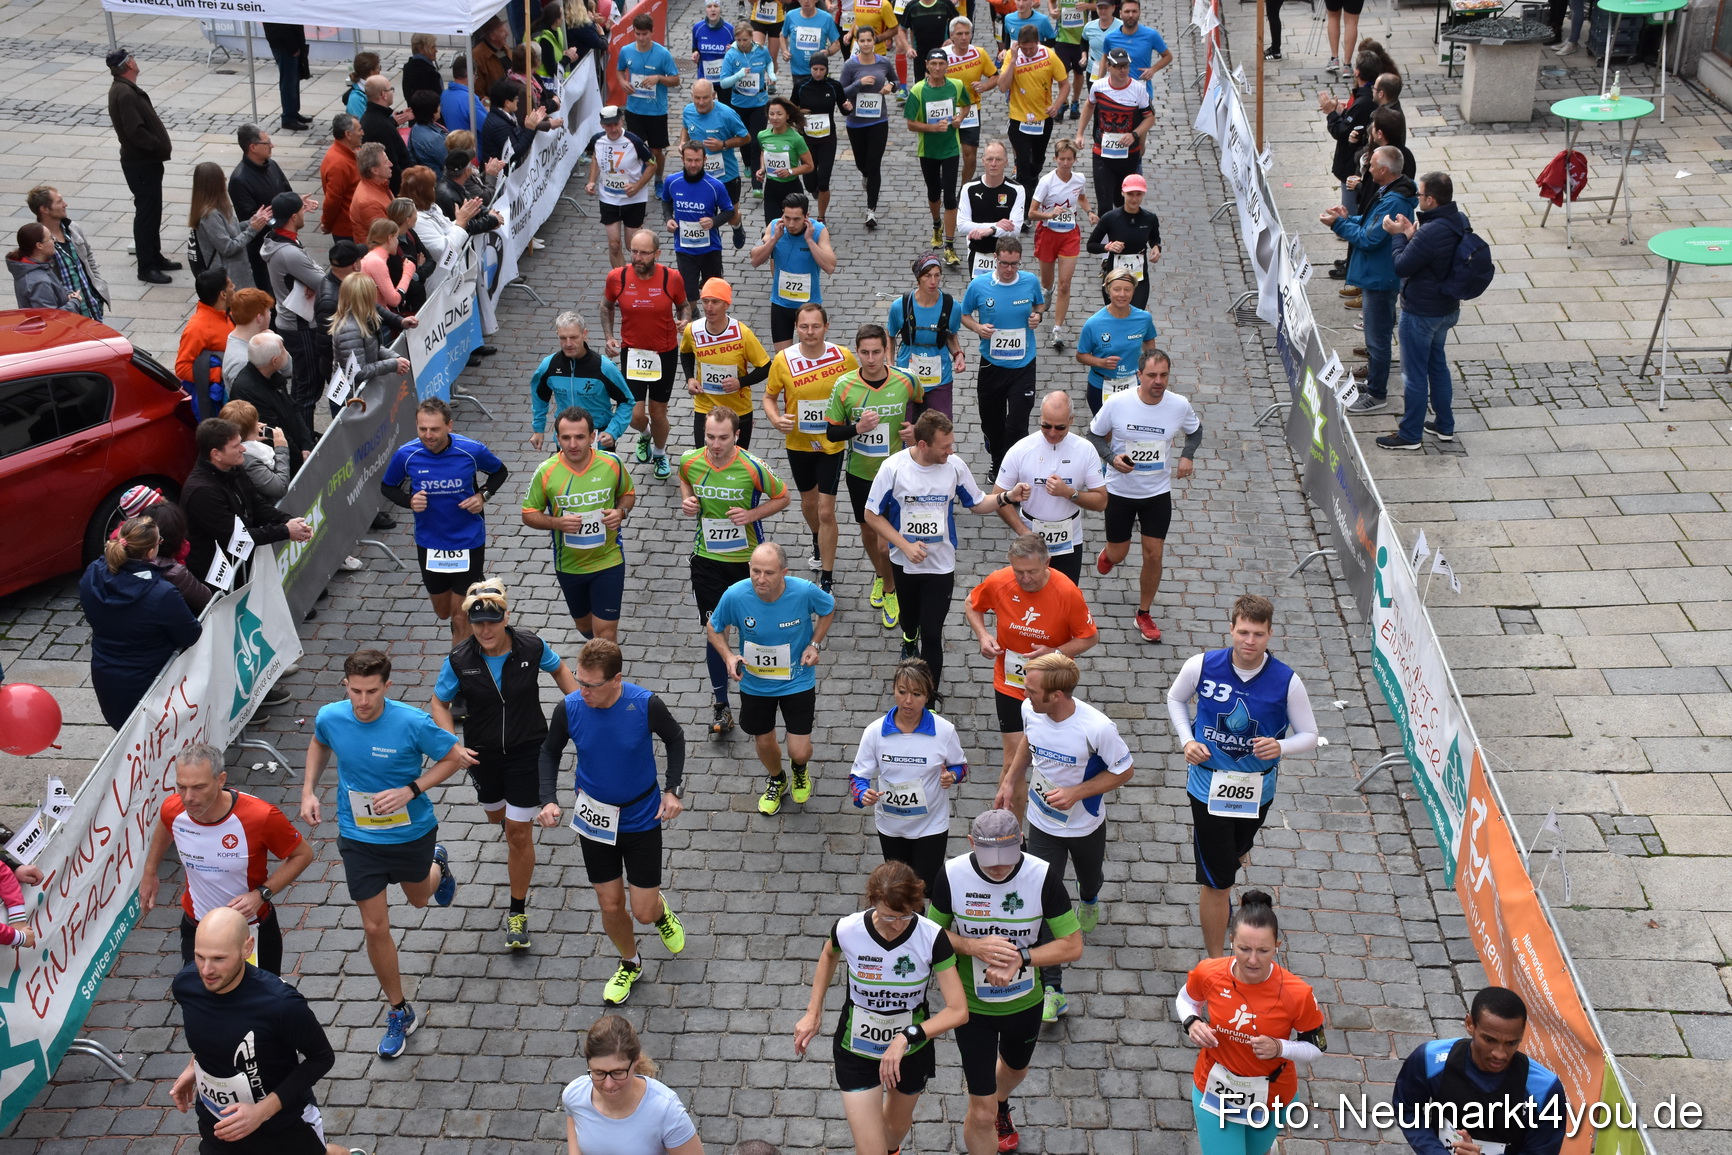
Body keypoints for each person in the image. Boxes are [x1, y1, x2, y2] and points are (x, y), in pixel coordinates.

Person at [300, 648, 472, 1058]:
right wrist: (308, 790)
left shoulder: (411, 722)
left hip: (410, 834)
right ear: (346, 685)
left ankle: (438, 866)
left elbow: (455, 758)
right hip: (358, 837)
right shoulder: (331, 716)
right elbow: (320, 743)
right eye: (356, 691)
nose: (362, 701)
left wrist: (410, 790)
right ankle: (399, 1010)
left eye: (371, 692)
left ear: (387, 687)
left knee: (418, 897)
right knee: (376, 927)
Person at [427, 580, 577, 950]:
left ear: (506, 617)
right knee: (497, 818)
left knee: (517, 832)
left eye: (493, 622)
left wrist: (580, 709)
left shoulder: (531, 645)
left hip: (529, 750)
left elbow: (560, 670)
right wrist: (451, 746)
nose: (486, 631)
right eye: (478, 624)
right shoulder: (460, 660)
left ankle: (517, 912)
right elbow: (438, 703)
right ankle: (449, 858)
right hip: (482, 755)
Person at [1165, 593, 1319, 956]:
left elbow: (1310, 735)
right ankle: (1216, 962)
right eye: (1244, 632)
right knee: (1217, 882)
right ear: (1231, 628)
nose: (1250, 642)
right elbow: (1175, 699)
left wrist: (1281, 747)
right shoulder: (1201, 666)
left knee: (1235, 853)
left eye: (1258, 634)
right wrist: (1187, 741)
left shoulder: (1286, 681)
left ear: (1270, 635)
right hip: (1207, 786)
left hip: (1257, 791)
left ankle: (1231, 866)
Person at [927, 809, 1083, 1155]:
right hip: (972, 1008)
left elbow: (1072, 946)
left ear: (1022, 843)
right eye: (989, 860)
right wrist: (971, 945)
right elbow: (930, 935)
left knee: (1015, 1070)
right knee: (979, 1111)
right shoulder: (951, 875)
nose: (998, 868)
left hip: (1025, 1003)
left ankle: (999, 1102)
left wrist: (1022, 958)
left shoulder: (1042, 876)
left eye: (1007, 859)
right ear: (970, 844)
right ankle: (989, 1111)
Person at [541, 641, 689, 1005]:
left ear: (616, 680)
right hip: (595, 819)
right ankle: (630, 962)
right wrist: (547, 798)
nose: (583, 690)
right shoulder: (570, 707)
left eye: (591, 685)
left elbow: (676, 738)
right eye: (579, 681)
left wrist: (672, 790)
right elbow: (549, 751)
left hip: (641, 818)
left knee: (641, 910)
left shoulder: (643, 704)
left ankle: (658, 910)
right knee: (609, 905)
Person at [793, 860, 970, 1155]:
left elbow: (958, 1010)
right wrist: (814, 1012)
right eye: (889, 917)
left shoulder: (931, 937)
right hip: (857, 1050)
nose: (897, 926)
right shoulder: (848, 929)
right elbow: (828, 954)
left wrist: (905, 1037)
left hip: (910, 1053)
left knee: (891, 1137)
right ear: (873, 902)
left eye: (905, 917)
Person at [992, 651, 1129, 1019]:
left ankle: (1090, 897)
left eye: (1032, 690)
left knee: (1089, 878)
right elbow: (1028, 745)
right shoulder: (1031, 711)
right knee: (1043, 903)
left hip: (1085, 825)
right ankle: (1053, 989)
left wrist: (1075, 793)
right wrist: (1009, 781)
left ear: (1057, 696)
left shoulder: (1096, 728)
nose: (1025, 694)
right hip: (1042, 825)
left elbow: (1124, 771)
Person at [168, 908, 356, 1155]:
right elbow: (212, 1033)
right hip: (219, 1121)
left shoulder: (280, 1003)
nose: (206, 970)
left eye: (219, 959)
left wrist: (260, 1112)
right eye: (200, 957)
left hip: (282, 1125)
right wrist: (193, 1067)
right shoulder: (186, 985)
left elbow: (321, 1058)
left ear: (247, 948)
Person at [864, 411, 1025, 681]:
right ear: (923, 445)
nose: (951, 451)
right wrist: (904, 546)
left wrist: (1007, 497)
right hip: (904, 563)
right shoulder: (893, 469)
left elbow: (976, 503)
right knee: (910, 620)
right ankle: (908, 637)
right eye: (945, 446)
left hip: (941, 565)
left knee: (931, 632)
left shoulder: (955, 466)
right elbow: (871, 514)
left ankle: (928, 700)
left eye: (952, 444)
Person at [142, 742, 314, 976]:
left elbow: (303, 854)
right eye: (181, 787)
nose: (188, 797)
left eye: (199, 787)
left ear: (221, 780)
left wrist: (261, 894)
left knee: (256, 1008)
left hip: (250, 930)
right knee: (200, 1003)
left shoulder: (260, 816)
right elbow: (166, 822)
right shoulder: (174, 809)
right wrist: (150, 871)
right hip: (197, 927)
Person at [1177, 892, 1327, 1155]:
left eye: (1263, 950)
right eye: (1244, 949)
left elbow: (1316, 1048)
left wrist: (1279, 1047)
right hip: (1214, 1090)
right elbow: (1186, 999)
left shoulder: (1297, 993)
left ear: (1277, 946)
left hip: (1271, 1097)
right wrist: (1191, 1021)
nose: (1253, 960)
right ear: (1232, 941)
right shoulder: (1209, 972)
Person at [679, 410, 792, 736]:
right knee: (715, 629)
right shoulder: (690, 461)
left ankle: (765, 691)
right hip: (707, 560)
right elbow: (684, 479)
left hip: (748, 564)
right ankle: (721, 704)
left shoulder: (752, 467)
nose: (715, 444)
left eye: (723, 438)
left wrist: (752, 513)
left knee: (755, 629)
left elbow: (782, 496)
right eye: (710, 437)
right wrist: (688, 500)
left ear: (737, 436)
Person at [707, 542, 835, 815]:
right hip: (755, 683)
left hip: (797, 679)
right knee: (764, 742)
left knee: (799, 751)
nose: (760, 579)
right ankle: (777, 779)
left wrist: (815, 644)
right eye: (755, 571)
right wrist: (729, 656)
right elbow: (713, 627)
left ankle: (799, 769)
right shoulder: (736, 595)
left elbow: (828, 609)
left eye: (768, 573)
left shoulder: (803, 592)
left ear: (784, 573)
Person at [1087, 348, 1200, 641]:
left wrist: (1187, 455)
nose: (1158, 381)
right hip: (1120, 491)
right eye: (1152, 375)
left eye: (1163, 375)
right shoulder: (1118, 403)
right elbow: (1094, 435)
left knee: (1154, 554)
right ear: (1139, 375)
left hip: (1157, 494)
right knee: (1119, 553)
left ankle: (1144, 613)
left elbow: (1195, 431)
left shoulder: (1179, 405)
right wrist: (1112, 459)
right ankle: (1110, 554)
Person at [968, 532, 1099, 778]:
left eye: (1032, 572)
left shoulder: (1067, 592)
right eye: (1019, 571)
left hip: (1051, 686)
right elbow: (971, 604)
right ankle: (1008, 816)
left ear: (1046, 563)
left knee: (1054, 759)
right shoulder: (1000, 581)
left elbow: (1090, 637)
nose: (1025, 578)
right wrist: (983, 636)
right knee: (1012, 762)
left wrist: (1055, 652)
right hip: (1010, 683)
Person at [380, 399, 509, 646]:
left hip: (467, 540)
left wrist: (482, 496)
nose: (428, 435)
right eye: (422, 429)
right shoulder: (407, 455)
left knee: (461, 616)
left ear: (449, 426)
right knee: (443, 611)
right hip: (430, 543)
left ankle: (462, 669)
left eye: (435, 429)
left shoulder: (471, 451)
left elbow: (499, 472)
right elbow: (388, 487)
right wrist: (409, 501)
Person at [825, 323, 923, 630]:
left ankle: (891, 590)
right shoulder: (844, 386)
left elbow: (922, 404)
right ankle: (882, 576)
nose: (870, 359)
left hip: (896, 474)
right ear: (857, 352)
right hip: (860, 473)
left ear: (887, 351)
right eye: (865, 353)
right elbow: (831, 432)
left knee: (885, 544)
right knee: (868, 535)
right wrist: (857, 428)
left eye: (877, 352)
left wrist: (915, 428)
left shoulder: (906, 379)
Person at [1392, 986, 1567, 1155]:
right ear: (1470, 1024)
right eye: (1489, 1040)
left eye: (1511, 1043)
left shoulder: (1545, 1090)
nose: (1499, 1054)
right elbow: (1407, 1109)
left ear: (1521, 1034)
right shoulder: (1430, 1059)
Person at [846, 659, 964, 892]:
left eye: (917, 694)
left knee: (924, 890)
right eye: (902, 692)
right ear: (893, 690)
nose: (908, 701)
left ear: (928, 695)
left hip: (931, 826)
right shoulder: (874, 732)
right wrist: (862, 795)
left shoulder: (944, 731)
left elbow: (961, 766)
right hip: (891, 826)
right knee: (899, 890)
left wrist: (952, 775)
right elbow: (857, 776)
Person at [522, 407, 638, 643]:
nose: (573, 444)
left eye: (580, 437)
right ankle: (593, 643)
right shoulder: (546, 472)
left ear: (593, 436)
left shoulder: (611, 463)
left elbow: (627, 494)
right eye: (566, 437)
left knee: (605, 636)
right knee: (585, 627)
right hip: (570, 565)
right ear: (557, 438)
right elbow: (528, 513)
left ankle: (608, 679)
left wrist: (621, 511)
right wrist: (557, 523)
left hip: (609, 559)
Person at [763, 303, 858, 588]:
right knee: (808, 503)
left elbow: (860, 384)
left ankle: (827, 577)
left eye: (816, 326)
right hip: (799, 443)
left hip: (831, 443)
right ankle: (817, 539)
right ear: (796, 327)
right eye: (804, 326)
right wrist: (776, 418)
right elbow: (768, 397)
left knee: (826, 510)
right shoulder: (783, 359)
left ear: (826, 327)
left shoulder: (843, 357)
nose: (810, 332)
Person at [78, 516, 202, 728]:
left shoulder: (92, 574)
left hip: (106, 677)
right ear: (151, 551)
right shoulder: (162, 594)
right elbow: (190, 634)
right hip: (152, 683)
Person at [1324, 146, 1415, 419]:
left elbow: (1369, 238)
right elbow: (1367, 222)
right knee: (1374, 336)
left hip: (1380, 278)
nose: (1368, 170)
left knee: (1377, 339)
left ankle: (1377, 394)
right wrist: (1346, 218)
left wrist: (1338, 226)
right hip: (1375, 275)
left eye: (1372, 165)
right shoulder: (1389, 191)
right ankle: (1373, 383)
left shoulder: (1394, 200)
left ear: (1385, 170)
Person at [1382, 170, 1466, 450]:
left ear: (1430, 199)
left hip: (1421, 313)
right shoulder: (1458, 220)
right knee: (1437, 366)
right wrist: (1410, 232)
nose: (1417, 198)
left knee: (1414, 374)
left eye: (1419, 194)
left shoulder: (1431, 232)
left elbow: (1402, 266)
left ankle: (1410, 434)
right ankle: (1444, 425)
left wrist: (1398, 236)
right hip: (1446, 309)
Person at [181, 417, 313, 590]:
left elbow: (255, 504)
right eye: (236, 446)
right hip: (220, 579)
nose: (243, 449)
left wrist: (287, 520)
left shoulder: (233, 466)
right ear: (216, 454)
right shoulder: (202, 492)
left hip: (242, 564)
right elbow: (236, 538)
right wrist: (285, 530)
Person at [991, 391, 1108, 583]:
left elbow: (1101, 501)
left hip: (1069, 542)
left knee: (1064, 601)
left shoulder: (1085, 450)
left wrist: (1069, 493)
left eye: (1059, 427)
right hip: (1030, 541)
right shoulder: (1021, 449)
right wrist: (1024, 532)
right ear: (1040, 418)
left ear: (1071, 420)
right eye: (1046, 425)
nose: (1052, 433)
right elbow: (997, 497)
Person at [603, 230, 689, 478]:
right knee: (633, 413)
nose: (637, 257)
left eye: (643, 253)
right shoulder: (617, 277)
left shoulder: (671, 278)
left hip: (663, 353)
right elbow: (606, 305)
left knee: (658, 412)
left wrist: (683, 321)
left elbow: (683, 306)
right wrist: (609, 337)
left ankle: (660, 454)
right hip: (633, 352)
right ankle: (645, 435)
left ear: (657, 254)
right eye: (634, 251)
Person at [960, 236, 1046, 480]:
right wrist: (977, 328)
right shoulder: (979, 285)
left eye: (1015, 264)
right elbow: (964, 315)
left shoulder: (1030, 282)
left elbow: (1039, 306)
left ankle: (1013, 469)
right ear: (995, 259)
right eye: (1005, 263)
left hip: (1023, 364)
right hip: (992, 365)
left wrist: (1037, 317)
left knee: (1017, 424)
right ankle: (997, 460)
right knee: (991, 423)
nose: (1009, 270)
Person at [560, 1015, 702, 1153]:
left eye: (618, 1072)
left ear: (635, 1061)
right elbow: (574, 1130)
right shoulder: (574, 1095)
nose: (608, 1085)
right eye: (599, 1073)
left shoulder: (666, 1110)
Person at [106, 48, 178, 284]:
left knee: (152, 211)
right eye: (133, 59)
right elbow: (135, 131)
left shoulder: (125, 89)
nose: (136, 61)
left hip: (146, 162)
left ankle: (154, 256)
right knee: (146, 214)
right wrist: (157, 145)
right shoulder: (125, 93)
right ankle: (146, 267)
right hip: (142, 163)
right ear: (128, 65)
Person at [260, 193, 329, 422]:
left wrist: (308, 279)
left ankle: (301, 435)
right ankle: (305, 442)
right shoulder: (289, 252)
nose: (304, 214)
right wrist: (311, 280)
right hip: (301, 326)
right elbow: (324, 281)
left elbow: (313, 272)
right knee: (308, 389)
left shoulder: (279, 238)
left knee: (303, 383)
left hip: (295, 323)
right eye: (301, 210)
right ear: (292, 216)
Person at [680, 277, 772, 447]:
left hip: (738, 410)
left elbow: (766, 367)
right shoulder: (692, 330)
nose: (709, 307)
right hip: (704, 407)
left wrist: (740, 382)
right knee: (705, 461)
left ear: (726, 304)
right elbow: (685, 352)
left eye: (715, 302)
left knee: (736, 465)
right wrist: (690, 378)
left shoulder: (742, 333)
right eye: (705, 301)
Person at [530, 313, 636, 453]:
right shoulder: (548, 366)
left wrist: (612, 431)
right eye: (563, 338)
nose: (568, 343)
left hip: (600, 440)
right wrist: (538, 430)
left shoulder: (604, 368)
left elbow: (627, 401)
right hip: (566, 440)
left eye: (574, 337)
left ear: (584, 334)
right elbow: (539, 397)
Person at [1026, 142, 1091, 350]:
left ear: (1074, 160)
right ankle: (1047, 291)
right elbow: (1031, 213)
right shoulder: (1046, 182)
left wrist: (1089, 211)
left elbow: (1081, 196)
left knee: (1065, 284)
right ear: (1055, 159)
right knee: (1047, 282)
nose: (1065, 163)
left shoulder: (1079, 179)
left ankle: (1057, 329)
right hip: (1047, 234)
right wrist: (1049, 214)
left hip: (1069, 234)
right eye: (1061, 159)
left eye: (1069, 159)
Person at [750, 192, 835, 347]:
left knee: (811, 357)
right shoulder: (775, 226)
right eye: (787, 217)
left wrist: (809, 240)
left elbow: (830, 266)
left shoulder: (818, 231)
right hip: (781, 305)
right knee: (784, 359)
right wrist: (775, 239)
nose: (790, 224)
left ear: (806, 216)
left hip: (809, 307)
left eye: (796, 219)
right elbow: (754, 260)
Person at [886, 252, 965, 418]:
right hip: (906, 376)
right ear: (918, 278)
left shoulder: (952, 306)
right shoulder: (900, 306)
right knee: (906, 429)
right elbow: (890, 336)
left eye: (937, 275)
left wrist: (958, 355)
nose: (933, 281)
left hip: (940, 378)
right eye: (928, 276)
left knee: (940, 429)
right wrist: (890, 364)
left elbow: (951, 335)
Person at [1074, 47, 1153, 213]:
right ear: (1109, 67)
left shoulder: (1138, 89)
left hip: (1128, 154)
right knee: (1104, 205)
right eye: (1118, 66)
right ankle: (1106, 239)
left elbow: (1150, 118)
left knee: (1121, 201)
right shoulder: (1099, 86)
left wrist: (1134, 135)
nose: (1123, 70)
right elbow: (1089, 106)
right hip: (1102, 154)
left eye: (1125, 66)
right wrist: (1080, 133)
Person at [905, 49, 966, 261]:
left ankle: (949, 246)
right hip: (928, 150)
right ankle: (936, 225)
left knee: (950, 197)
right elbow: (911, 124)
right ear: (927, 65)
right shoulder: (918, 90)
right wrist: (932, 128)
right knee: (934, 193)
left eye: (941, 63)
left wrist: (959, 117)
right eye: (934, 64)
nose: (938, 68)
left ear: (947, 65)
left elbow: (966, 105)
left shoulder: (956, 85)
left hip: (950, 148)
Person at [997, 25, 1069, 203]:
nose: (1028, 52)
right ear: (1018, 44)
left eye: (1032, 48)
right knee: (1023, 167)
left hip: (1042, 119)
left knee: (1036, 162)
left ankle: (1031, 182)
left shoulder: (1049, 55)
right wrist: (1013, 60)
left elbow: (1064, 84)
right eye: (1024, 48)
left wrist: (1057, 105)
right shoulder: (1011, 56)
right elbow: (1002, 86)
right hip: (1018, 119)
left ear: (1038, 42)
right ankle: (1025, 210)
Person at [1075, 266, 1158, 413]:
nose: (1122, 294)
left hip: (1134, 384)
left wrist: (1150, 364)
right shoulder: (1094, 323)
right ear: (1108, 290)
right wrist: (1100, 362)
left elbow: (1149, 341)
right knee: (1105, 432)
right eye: (1117, 289)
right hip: (1101, 386)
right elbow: (1081, 355)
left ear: (1133, 291)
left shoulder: (1143, 318)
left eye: (1127, 290)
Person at [230, 332, 317, 470]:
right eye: (283, 349)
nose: (286, 352)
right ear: (274, 361)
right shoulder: (249, 392)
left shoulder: (270, 375)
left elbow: (293, 408)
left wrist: (307, 443)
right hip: (285, 463)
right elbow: (275, 432)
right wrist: (301, 460)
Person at [680, 80, 751, 249]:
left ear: (713, 96)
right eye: (697, 98)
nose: (701, 102)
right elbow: (685, 127)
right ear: (692, 96)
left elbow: (746, 138)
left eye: (705, 98)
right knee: (704, 216)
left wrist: (723, 144)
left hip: (726, 175)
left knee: (731, 215)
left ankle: (737, 226)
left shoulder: (727, 114)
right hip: (699, 175)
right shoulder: (688, 111)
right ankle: (710, 248)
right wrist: (683, 142)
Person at [619, 14, 682, 199]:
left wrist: (659, 78)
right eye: (637, 34)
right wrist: (623, 82)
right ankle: (638, 181)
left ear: (652, 32)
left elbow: (676, 80)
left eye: (645, 34)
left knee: (656, 150)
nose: (641, 38)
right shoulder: (626, 51)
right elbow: (619, 70)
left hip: (656, 111)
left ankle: (658, 180)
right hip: (634, 110)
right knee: (636, 150)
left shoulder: (663, 54)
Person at [587, 106, 657, 271]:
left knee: (632, 246)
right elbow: (596, 159)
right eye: (608, 125)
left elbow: (652, 165)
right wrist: (591, 181)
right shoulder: (597, 140)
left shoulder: (634, 142)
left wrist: (637, 186)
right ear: (602, 125)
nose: (613, 129)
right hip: (608, 198)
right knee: (614, 245)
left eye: (615, 124)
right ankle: (622, 281)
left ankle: (641, 276)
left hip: (633, 199)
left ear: (622, 121)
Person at [840, 26, 898, 228]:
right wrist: (859, 84)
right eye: (862, 40)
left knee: (874, 165)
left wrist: (891, 86)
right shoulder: (850, 66)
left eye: (869, 40)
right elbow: (841, 93)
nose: (866, 44)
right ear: (857, 42)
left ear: (875, 41)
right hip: (856, 123)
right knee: (862, 164)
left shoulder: (883, 62)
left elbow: (895, 80)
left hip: (878, 121)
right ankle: (864, 174)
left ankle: (871, 210)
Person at [230, 125, 297, 293]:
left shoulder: (272, 165)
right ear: (253, 147)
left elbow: (287, 192)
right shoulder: (240, 180)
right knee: (271, 294)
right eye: (267, 143)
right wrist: (285, 217)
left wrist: (297, 204)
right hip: (263, 250)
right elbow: (254, 220)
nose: (272, 145)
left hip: (285, 241)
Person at [665, 141, 737, 294]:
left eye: (697, 160)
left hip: (710, 249)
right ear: (682, 160)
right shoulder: (672, 181)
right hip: (684, 248)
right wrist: (668, 219)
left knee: (713, 293)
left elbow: (729, 211)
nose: (693, 165)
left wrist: (714, 221)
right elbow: (666, 201)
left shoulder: (715, 185)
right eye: (689, 160)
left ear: (705, 160)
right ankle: (693, 315)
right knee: (687, 294)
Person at [28, 185, 110, 319]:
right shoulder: (39, 243)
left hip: (91, 306)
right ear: (45, 209)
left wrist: (97, 284)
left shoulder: (73, 229)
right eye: (59, 201)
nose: (65, 204)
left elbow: (88, 256)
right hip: (68, 312)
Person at [328, 270, 413, 399]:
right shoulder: (349, 330)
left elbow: (373, 348)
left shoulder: (363, 319)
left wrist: (395, 358)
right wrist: (393, 364)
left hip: (361, 392)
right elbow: (359, 371)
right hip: (352, 399)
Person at [189, 161, 271, 291]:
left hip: (236, 273)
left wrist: (252, 221)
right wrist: (252, 230)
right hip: (230, 278)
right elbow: (227, 247)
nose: (225, 182)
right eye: (223, 179)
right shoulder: (210, 215)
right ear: (215, 185)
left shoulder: (217, 208)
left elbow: (231, 230)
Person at [1084, 172, 1160, 308]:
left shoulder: (1150, 218)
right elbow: (1091, 245)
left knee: (1136, 316)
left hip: (1139, 277)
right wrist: (1107, 247)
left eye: (1138, 194)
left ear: (1143, 194)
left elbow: (1154, 237)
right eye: (1130, 194)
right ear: (1122, 193)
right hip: (1114, 276)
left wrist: (1156, 247)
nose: (1134, 199)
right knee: (1115, 316)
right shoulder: (1110, 218)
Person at [956, 140, 1027, 282]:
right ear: (983, 161)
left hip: (1006, 256)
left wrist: (990, 231)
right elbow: (962, 225)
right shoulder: (969, 188)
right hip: (978, 252)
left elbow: (1015, 229)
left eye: (998, 159)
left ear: (1006, 162)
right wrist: (995, 226)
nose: (993, 163)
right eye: (990, 159)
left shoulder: (1017, 190)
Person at [720, 22, 776, 199]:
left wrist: (771, 75)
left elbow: (769, 63)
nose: (742, 43)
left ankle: (757, 184)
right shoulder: (731, 55)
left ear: (752, 37)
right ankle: (747, 164)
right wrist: (739, 75)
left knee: (756, 142)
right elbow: (723, 83)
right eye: (739, 40)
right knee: (744, 141)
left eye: (745, 39)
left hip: (759, 102)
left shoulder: (761, 50)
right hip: (738, 104)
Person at [942, 18, 998, 188]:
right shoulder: (943, 55)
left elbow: (995, 76)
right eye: (959, 34)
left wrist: (984, 86)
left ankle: (965, 188)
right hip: (947, 109)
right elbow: (930, 79)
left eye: (967, 33)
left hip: (972, 109)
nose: (964, 37)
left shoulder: (979, 53)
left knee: (970, 154)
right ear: (951, 36)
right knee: (945, 153)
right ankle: (947, 184)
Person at [792, 54, 846, 220]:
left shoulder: (834, 86)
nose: (818, 73)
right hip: (807, 139)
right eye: (815, 69)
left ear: (827, 70)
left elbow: (844, 110)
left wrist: (848, 107)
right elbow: (790, 110)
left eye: (821, 69)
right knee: (809, 182)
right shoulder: (801, 86)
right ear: (810, 69)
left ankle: (821, 217)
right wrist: (800, 113)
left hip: (827, 138)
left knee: (824, 181)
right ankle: (814, 190)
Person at [175, 269, 234, 420]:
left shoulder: (228, 313)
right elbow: (182, 368)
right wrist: (218, 374)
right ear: (223, 294)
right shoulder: (197, 328)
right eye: (231, 285)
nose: (234, 287)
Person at [220, 400, 292, 506]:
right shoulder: (249, 462)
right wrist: (281, 450)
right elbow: (280, 488)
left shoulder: (235, 448)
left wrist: (251, 438)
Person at [754, 97, 815, 223]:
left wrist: (790, 171)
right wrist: (762, 169)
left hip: (791, 189)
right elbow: (763, 152)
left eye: (779, 114)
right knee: (772, 229)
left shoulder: (796, 139)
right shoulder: (762, 135)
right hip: (771, 189)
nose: (775, 118)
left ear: (787, 115)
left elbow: (809, 166)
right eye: (771, 114)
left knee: (793, 229)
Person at [1100, 0, 1172, 94]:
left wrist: (1153, 69)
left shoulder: (1151, 35)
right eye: (1127, 11)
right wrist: (1099, 83)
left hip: (1142, 91)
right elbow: (1105, 57)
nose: (1130, 15)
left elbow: (1168, 56)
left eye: (1134, 11)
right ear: (1120, 14)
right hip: (1117, 92)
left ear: (1139, 13)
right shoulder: (1110, 38)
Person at [482, 79, 551, 166]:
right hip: (502, 174)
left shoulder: (504, 116)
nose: (517, 101)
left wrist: (528, 126)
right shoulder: (499, 126)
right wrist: (530, 129)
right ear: (507, 103)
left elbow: (515, 138)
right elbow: (514, 153)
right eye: (516, 98)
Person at [6, 224, 74, 311]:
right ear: (39, 245)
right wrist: (75, 302)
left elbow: (57, 287)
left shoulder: (40, 265)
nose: (54, 240)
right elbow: (51, 317)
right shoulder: (39, 282)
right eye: (50, 238)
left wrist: (69, 294)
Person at [224, 287, 275, 390]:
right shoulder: (241, 361)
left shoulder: (239, 339)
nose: (270, 314)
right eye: (268, 311)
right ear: (259, 318)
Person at [782, 0, 842, 87]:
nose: (806, 1)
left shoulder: (826, 18)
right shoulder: (791, 16)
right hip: (798, 71)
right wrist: (784, 51)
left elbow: (836, 44)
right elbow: (782, 35)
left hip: (819, 71)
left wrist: (828, 52)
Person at [262, 22, 308, 131]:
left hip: (289, 42)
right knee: (288, 81)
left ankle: (293, 112)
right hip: (285, 45)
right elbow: (279, 28)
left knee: (293, 80)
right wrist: (292, 47)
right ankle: (288, 117)